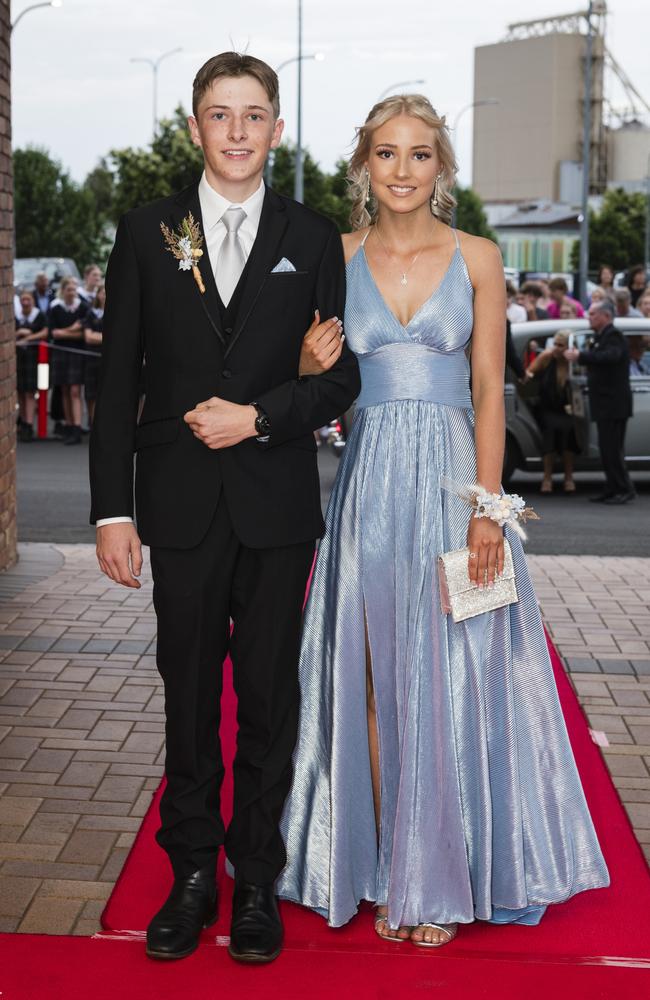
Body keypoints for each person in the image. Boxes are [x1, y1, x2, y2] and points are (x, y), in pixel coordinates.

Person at [278, 94, 608, 947]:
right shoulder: (334, 255)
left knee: (458, 681)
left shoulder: (480, 258)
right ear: (363, 165)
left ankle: (449, 873)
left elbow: (492, 389)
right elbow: (313, 387)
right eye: (385, 154)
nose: (401, 170)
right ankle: (394, 869)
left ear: (442, 168)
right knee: (380, 686)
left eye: (419, 154)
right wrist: (305, 361)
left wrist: (490, 509)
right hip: (368, 487)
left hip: (457, 489)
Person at [89, 51, 360, 966]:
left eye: (254, 115)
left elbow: (340, 378)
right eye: (219, 114)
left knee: (271, 700)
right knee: (191, 697)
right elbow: (118, 373)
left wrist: (263, 416)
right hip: (179, 507)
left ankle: (257, 882)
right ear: (194, 126)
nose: (237, 132)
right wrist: (110, 512)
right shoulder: (145, 230)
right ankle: (191, 874)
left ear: (276, 129)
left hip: (277, 506)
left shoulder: (314, 236)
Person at [565, 299, 635, 504]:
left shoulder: (613, 336)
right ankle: (612, 487)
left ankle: (624, 489)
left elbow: (609, 357)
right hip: (606, 404)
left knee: (613, 449)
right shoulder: (600, 337)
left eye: (593, 314)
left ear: (606, 315)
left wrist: (581, 356)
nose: (590, 317)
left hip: (614, 404)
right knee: (606, 450)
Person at [525, 331, 578, 493]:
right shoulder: (547, 357)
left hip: (568, 408)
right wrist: (527, 376)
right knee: (551, 430)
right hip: (547, 407)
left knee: (570, 431)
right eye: (555, 344)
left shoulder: (572, 361)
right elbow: (529, 374)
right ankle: (547, 477)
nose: (556, 348)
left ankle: (569, 477)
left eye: (560, 345)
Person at [49, 277, 89, 445]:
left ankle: (77, 427)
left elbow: (83, 333)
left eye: (74, 289)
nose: (72, 292)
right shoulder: (56, 308)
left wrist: (64, 333)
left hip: (77, 353)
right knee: (64, 390)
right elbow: (53, 333)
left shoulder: (83, 306)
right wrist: (72, 330)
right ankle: (69, 425)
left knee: (75, 391)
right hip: (60, 352)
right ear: (63, 291)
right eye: (69, 290)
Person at [15, 290, 47, 441]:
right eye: (23, 299)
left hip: (35, 359)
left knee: (30, 392)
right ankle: (23, 421)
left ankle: (29, 423)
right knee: (20, 392)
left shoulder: (39, 315)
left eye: (28, 299)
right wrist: (19, 333)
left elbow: (45, 332)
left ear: (32, 301)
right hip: (19, 359)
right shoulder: (17, 316)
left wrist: (27, 336)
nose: (25, 302)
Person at [83, 284, 105, 425]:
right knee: (91, 394)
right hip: (91, 358)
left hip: (108, 359)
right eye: (102, 293)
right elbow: (88, 337)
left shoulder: (117, 311)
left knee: (106, 393)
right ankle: (92, 422)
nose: (105, 295)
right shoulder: (91, 313)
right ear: (98, 295)